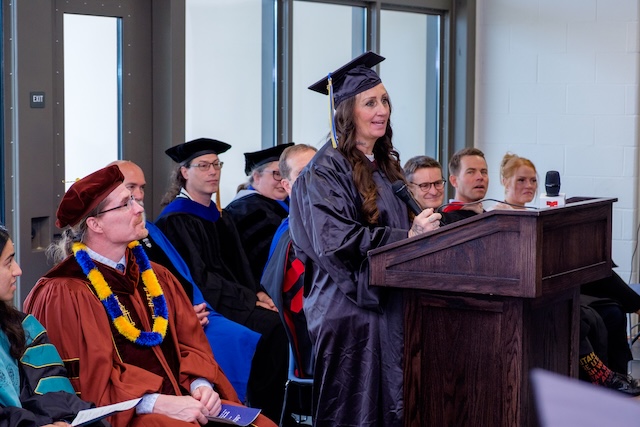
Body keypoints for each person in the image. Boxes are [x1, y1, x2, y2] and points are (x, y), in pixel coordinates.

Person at [23, 165, 276, 427]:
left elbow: (191, 343)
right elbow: (87, 383)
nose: (139, 208)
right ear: (95, 223)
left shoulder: (155, 276)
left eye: (134, 199)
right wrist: (155, 402)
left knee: (263, 424)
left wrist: (202, 385)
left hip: (185, 398)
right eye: (124, 204)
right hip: (124, 414)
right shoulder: (66, 292)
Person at [289, 51, 442, 426]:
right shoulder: (324, 171)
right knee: (356, 410)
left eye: (385, 100)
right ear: (345, 112)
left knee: (391, 403)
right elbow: (335, 240)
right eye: (370, 102)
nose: (382, 110)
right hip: (349, 306)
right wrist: (406, 235)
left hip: (385, 299)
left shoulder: (382, 163)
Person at [155, 138, 287, 424]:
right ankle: (260, 413)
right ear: (185, 172)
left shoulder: (220, 215)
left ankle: (272, 412)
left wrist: (258, 292)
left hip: (236, 296)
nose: (213, 171)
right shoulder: (176, 219)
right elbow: (199, 276)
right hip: (208, 302)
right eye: (203, 166)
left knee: (281, 323)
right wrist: (249, 298)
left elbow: (240, 264)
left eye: (216, 165)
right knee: (272, 330)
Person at [113, 160, 260, 403]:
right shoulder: (127, 237)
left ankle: (234, 408)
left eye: (142, 187)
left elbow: (184, 276)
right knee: (237, 337)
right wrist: (182, 317)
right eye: (131, 187)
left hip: (189, 311)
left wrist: (195, 308)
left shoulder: (151, 231)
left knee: (245, 336)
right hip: (160, 324)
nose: (139, 196)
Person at [494, 152, 640, 394]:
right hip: (526, 293)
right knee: (584, 308)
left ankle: (619, 378)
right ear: (504, 181)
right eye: (521, 180)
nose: (529, 186)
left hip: (554, 283)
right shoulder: (497, 217)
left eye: (533, 180)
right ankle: (603, 376)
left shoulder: (537, 213)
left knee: (611, 306)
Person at [0, 225, 107, 427]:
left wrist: (61, 420)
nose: (18, 270)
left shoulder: (24, 329)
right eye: (8, 263)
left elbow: (56, 394)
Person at [261, 144, 317, 380]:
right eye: (303, 174)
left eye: (319, 170)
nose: (314, 180)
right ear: (286, 185)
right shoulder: (292, 238)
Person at [225, 144, 294, 284]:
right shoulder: (248, 209)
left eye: (286, 174)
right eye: (277, 173)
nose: (283, 181)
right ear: (256, 177)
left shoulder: (282, 204)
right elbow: (267, 258)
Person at [441, 147, 489, 221]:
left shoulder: (489, 217)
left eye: (483, 172)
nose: (480, 177)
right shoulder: (446, 221)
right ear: (454, 181)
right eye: (470, 172)